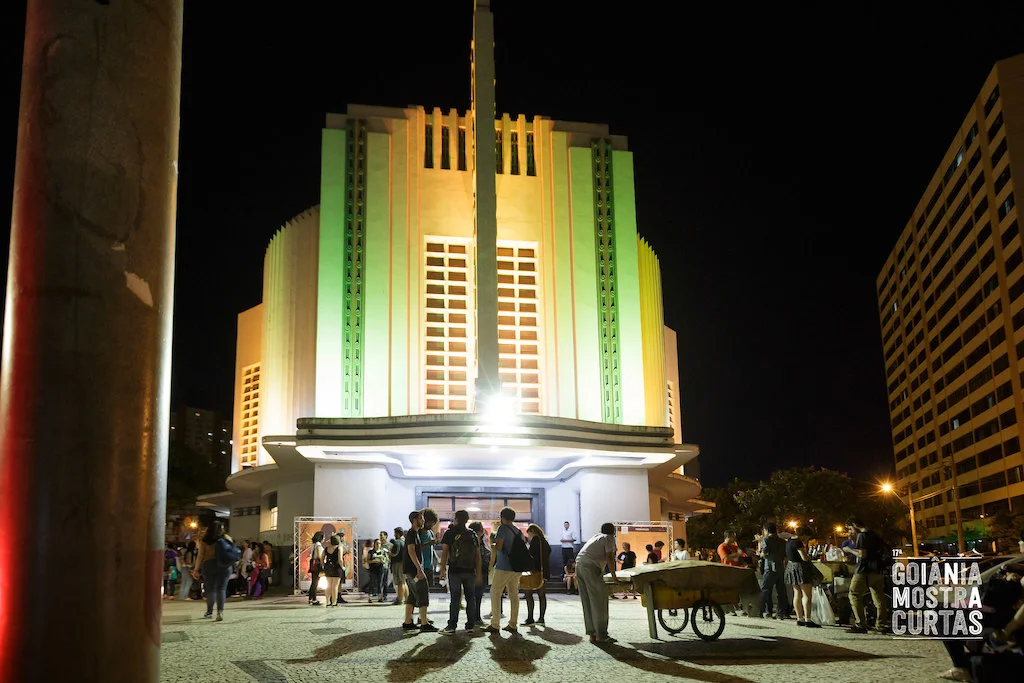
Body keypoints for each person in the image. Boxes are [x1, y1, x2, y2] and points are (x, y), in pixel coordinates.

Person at [439, 509, 483, 634]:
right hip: (470, 571)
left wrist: (442, 570)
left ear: (456, 519)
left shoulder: (449, 532)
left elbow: (445, 553)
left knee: (455, 598)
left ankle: (452, 626)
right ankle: (470, 626)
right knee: (470, 598)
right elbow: (478, 555)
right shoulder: (472, 534)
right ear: (467, 520)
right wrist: (479, 573)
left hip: (454, 571)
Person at [844, 516, 890, 634]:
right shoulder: (875, 534)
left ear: (854, 525)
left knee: (854, 594)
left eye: (850, 528)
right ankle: (881, 624)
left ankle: (860, 624)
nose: (850, 531)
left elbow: (862, 554)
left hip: (864, 570)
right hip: (878, 569)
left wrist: (849, 550)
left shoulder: (862, 535)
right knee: (879, 597)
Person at [576, 522, 618, 644]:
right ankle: (601, 634)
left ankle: (592, 634)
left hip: (579, 564)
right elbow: (610, 557)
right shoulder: (608, 538)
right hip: (590, 567)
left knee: (587, 600)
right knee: (599, 600)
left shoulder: (595, 537)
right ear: (613, 531)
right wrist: (614, 576)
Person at [485, 506, 524, 634]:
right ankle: (513, 623)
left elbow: (500, 547)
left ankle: (495, 624)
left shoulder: (502, 528)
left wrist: (493, 543)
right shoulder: (518, 531)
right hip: (516, 568)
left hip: (504, 567)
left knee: (495, 592)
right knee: (513, 594)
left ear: (502, 517)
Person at [192, 520, 236, 621]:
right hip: (225, 566)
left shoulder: (205, 540)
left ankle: (209, 612)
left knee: (210, 589)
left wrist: (196, 569)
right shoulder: (227, 538)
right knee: (221, 589)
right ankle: (220, 612)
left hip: (209, 565)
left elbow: (200, 556)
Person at [401, 510, 437, 631]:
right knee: (423, 593)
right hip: (414, 570)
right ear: (415, 520)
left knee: (412, 595)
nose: (424, 521)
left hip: (411, 570)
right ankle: (424, 623)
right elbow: (411, 551)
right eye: (421, 518)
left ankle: (408, 621)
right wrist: (419, 568)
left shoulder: (414, 533)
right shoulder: (412, 533)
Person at [784, 525, 821, 628]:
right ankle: (808, 619)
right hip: (801, 568)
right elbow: (804, 557)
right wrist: (808, 557)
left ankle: (799, 618)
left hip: (791, 567)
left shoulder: (789, 540)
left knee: (796, 593)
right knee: (807, 595)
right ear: (804, 535)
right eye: (807, 536)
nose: (807, 539)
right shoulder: (798, 542)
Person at [758, 522, 789, 619]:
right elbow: (785, 555)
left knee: (765, 589)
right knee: (781, 591)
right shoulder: (783, 541)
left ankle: (762, 610)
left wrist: (760, 552)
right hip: (780, 567)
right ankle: (781, 612)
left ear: (766, 530)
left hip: (770, 567)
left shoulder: (766, 539)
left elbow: (764, 553)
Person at [523, 523, 552, 625]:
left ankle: (530, 618)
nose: (529, 536)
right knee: (542, 595)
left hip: (534, 571)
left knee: (529, 594)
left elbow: (530, 555)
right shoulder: (545, 541)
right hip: (544, 571)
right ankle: (541, 618)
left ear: (532, 531)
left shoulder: (535, 540)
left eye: (529, 533)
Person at [469, 521, 491, 627]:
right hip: (475, 571)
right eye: (481, 528)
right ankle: (474, 618)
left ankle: (476, 617)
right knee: (475, 596)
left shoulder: (482, 541)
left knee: (478, 596)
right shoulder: (473, 541)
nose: (483, 530)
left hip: (482, 571)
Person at [419, 508, 439, 587]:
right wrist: (428, 544)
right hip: (420, 566)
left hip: (429, 566)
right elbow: (415, 548)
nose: (431, 525)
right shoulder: (419, 532)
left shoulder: (430, 532)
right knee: (419, 588)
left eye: (433, 523)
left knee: (427, 588)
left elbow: (431, 547)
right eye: (430, 523)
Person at [323, 534, 343, 607]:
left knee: (328, 586)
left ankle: (328, 601)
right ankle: (334, 602)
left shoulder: (326, 548)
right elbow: (340, 559)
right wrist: (342, 567)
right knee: (335, 586)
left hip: (328, 567)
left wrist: (324, 565)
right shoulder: (339, 548)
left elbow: (322, 557)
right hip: (336, 568)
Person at [389, 528, 406, 606]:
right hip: (404, 563)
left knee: (399, 582)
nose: (394, 535)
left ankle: (399, 600)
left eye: (395, 533)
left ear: (397, 534)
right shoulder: (404, 541)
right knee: (403, 582)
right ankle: (407, 598)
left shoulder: (397, 542)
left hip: (397, 564)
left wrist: (388, 553)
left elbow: (394, 554)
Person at [307, 533, 324, 605]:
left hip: (313, 564)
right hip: (317, 564)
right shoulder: (318, 544)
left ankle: (311, 598)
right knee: (315, 582)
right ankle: (314, 599)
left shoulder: (314, 544)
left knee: (313, 582)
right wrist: (323, 564)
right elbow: (320, 555)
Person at [378, 531, 392, 602]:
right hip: (379, 565)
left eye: (381, 535)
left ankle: (385, 595)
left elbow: (392, 555)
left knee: (385, 581)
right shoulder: (378, 544)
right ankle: (379, 596)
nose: (380, 537)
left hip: (387, 565)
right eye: (380, 535)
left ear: (386, 536)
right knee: (379, 581)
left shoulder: (390, 545)